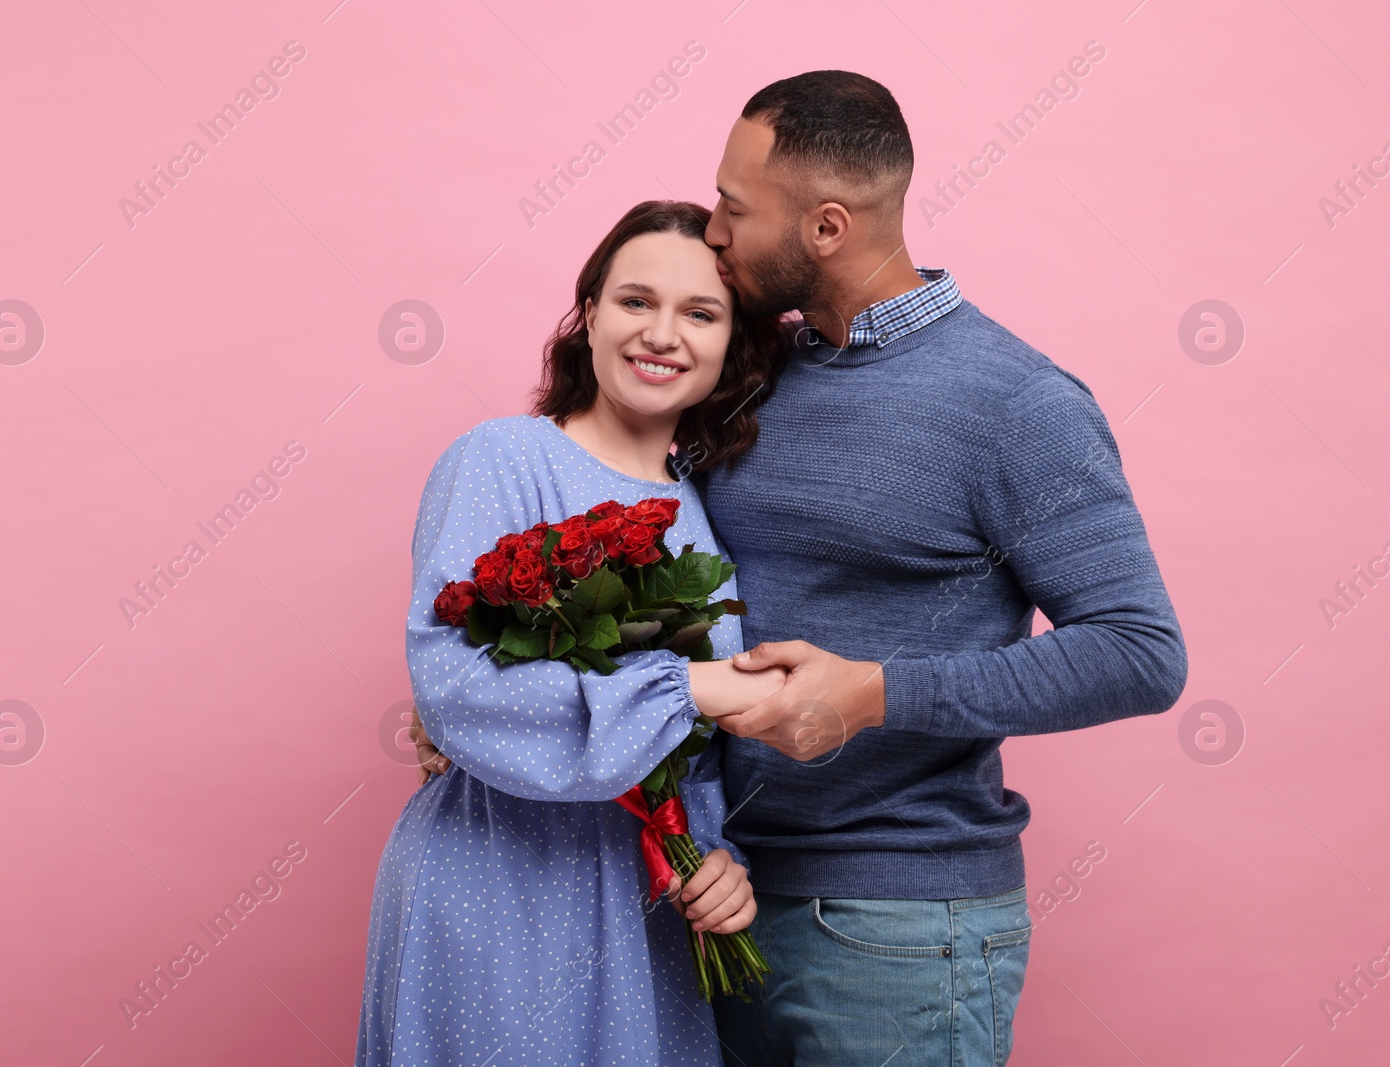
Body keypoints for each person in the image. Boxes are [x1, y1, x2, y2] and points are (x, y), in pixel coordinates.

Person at [415, 71, 1189, 1067]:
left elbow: (1139, 651)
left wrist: (872, 693)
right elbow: (629, 571)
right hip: (710, 901)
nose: (718, 230)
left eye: (737, 208)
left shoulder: (1017, 404)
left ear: (825, 228)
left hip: (898, 924)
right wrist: (479, 697)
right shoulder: (750, 370)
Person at [356, 200, 797, 1067]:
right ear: (589, 314)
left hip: (643, 901)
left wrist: (717, 862)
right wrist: (687, 687)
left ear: (729, 343)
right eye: (636, 301)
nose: (662, 334)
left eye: (700, 313)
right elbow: (453, 691)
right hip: (495, 882)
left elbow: (699, 758)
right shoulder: (500, 459)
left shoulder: (707, 518)